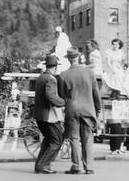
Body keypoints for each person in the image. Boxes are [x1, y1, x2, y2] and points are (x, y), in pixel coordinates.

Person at [58, 47, 101, 175]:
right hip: (88, 109)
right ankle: (89, 167)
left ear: (69, 59)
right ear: (78, 57)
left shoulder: (63, 75)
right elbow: (96, 93)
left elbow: (62, 95)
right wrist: (98, 109)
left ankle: (76, 166)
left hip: (72, 109)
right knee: (87, 138)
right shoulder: (90, 73)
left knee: (74, 138)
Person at [33, 55, 66, 174]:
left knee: (48, 140)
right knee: (57, 140)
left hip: (39, 115)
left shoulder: (40, 77)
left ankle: (39, 165)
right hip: (49, 116)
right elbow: (50, 96)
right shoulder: (51, 79)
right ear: (56, 67)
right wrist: (63, 102)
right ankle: (44, 165)